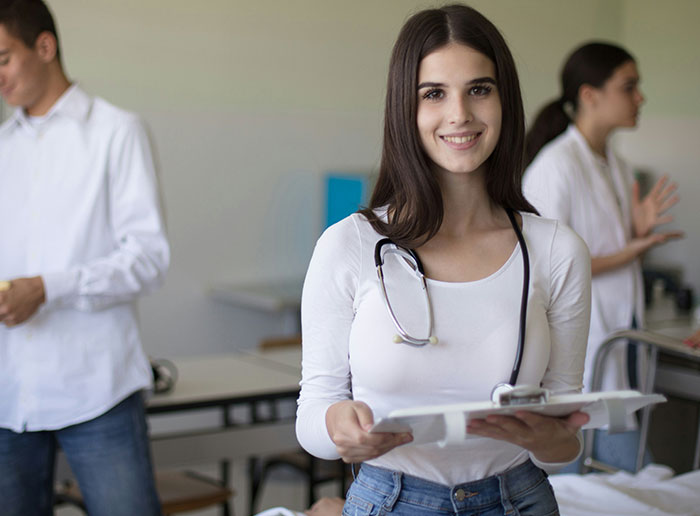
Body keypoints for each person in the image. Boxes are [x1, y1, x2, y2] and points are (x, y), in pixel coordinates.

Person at [296, 4, 592, 515]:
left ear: (504, 100)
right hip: (389, 498)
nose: (460, 114)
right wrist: (339, 429)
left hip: (519, 499)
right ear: (404, 110)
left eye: (479, 89)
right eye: (434, 94)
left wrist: (550, 441)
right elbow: (314, 419)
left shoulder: (555, 250)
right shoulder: (349, 245)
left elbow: (565, 446)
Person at [0, 1, 169, 514]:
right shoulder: (2, 146)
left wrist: (49, 287)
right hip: (9, 394)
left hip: (97, 390)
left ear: (44, 47)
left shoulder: (117, 131)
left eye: (3, 57)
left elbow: (148, 257)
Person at [522, 42, 681, 471]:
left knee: (620, 472)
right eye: (629, 87)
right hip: (583, 350)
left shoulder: (616, 164)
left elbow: (599, 248)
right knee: (598, 471)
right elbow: (546, 270)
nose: (640, 97)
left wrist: (635, 232)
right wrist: (628, 251)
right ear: (590, 95)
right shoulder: (554, 168)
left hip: (618, 338)